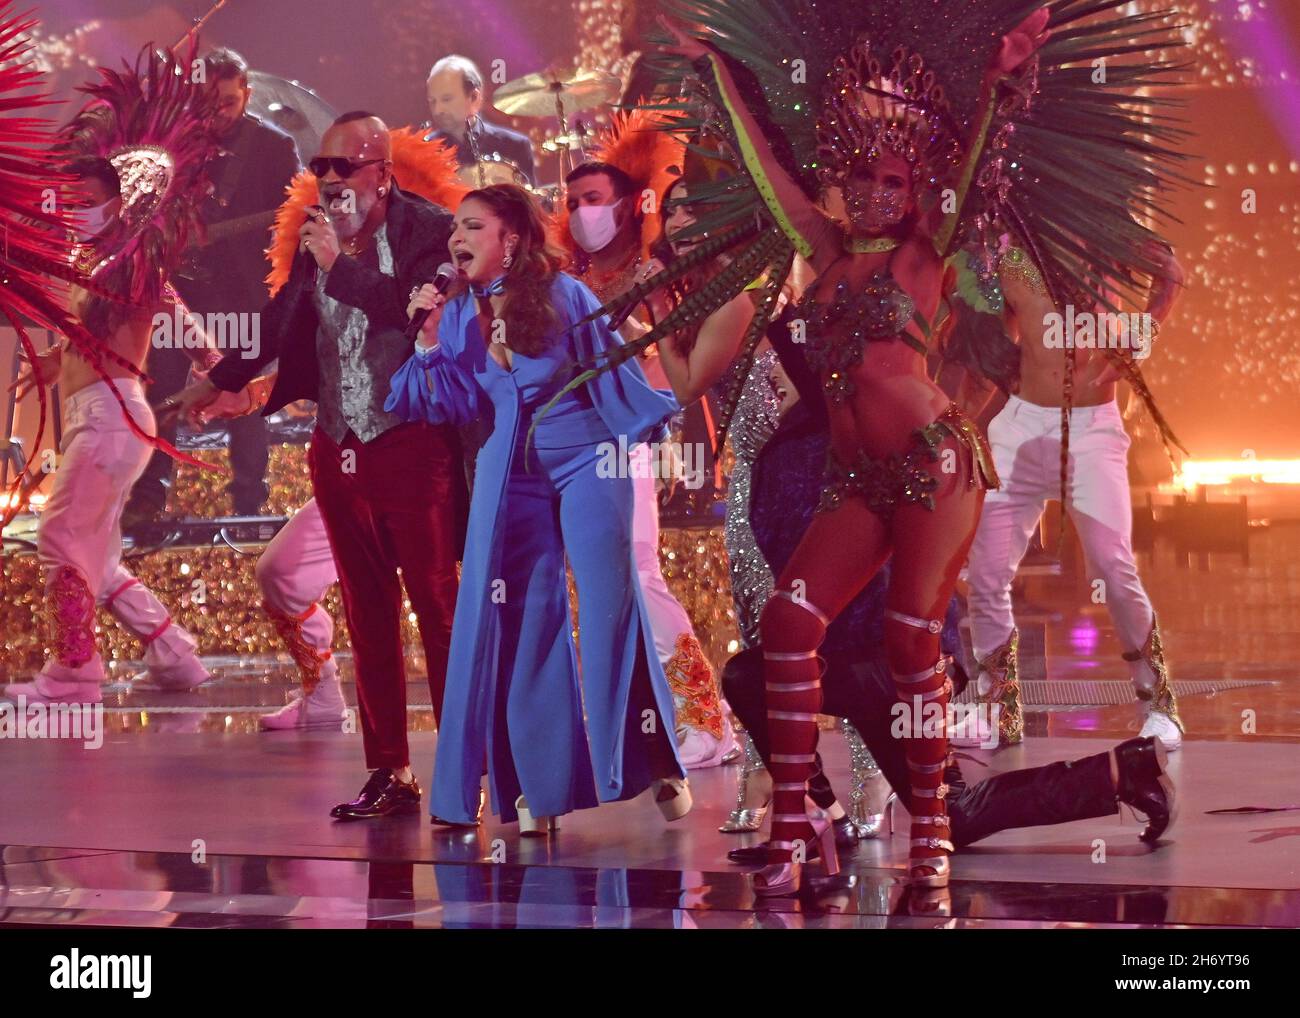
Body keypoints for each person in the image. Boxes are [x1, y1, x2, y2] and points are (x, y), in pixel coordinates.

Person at [171, 112, 468, 821]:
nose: (329, 181)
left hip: (413, 436)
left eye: (345, 168)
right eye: (320, 168)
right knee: (367, 609)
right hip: (338, 443)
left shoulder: (431, 231)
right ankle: (389, 771)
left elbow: (416, 313)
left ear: (382, 173)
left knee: (439, 604)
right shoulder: (316, 236)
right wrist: (225, 378)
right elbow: (282, 320)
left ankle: (465, 766)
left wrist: (341, 263)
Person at [386, 183, 690, 832]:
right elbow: (450, 402)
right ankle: (536, 788)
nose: (456, 240)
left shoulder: (564, 294)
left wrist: (643, 435)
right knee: (520, 618)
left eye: (472, 227)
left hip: (585, 457)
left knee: (611, 605)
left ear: (511, 239)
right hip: (510, 468)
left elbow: (609, 368)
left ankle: (648, 759)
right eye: (454, 230)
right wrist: (429, 340)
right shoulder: (462, 313)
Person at [3, 49, 229, 705]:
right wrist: (52, 362)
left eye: (89, 197)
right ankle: (176, 656)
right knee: (95, 560)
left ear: (118, 200)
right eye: (71, 198)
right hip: (103, 419)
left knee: (57, 536)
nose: (77, 207)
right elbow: (89, 342)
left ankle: (73, 674)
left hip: (111, 419)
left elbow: (172, 308)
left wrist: (215, 366)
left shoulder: (130, 263)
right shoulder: (90, 267)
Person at [961, 235, 1187, 750]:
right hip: (1020, 426)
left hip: (1090, 433)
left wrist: (1144, 331)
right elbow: (989, 330)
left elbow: (1172, 270)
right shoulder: (1010, 253)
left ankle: (1158, 704)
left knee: (1112, 564)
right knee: (987, 572)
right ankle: (999, 709)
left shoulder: (1101, 236)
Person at [563, 139, 735, 769]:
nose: (584, 213)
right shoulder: (571, 279)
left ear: (631, 205)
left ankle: (709, 721)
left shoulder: (655, 274)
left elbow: (674, 374)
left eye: (595, 199)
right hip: (582, 447)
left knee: (640, 572)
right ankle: (655, 719)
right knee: (611, 583)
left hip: (641, 439)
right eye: (574, 201)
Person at [123, 47, 300, 528]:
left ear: (247, 93)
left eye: (226, 102)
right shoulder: (173, 145)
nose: (216, 114)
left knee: (241, 392)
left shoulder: (274, 147)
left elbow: (295, 218)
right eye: (206, 103)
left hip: (244, 289)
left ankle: (249, 502)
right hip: (179, 290)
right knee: (161, 384)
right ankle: (149, 492)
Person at [423, 54, 536, 185]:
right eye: (432, 102)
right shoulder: (425, 150)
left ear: (474, 97)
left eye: (447, 99)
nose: (438, 110)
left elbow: (530, 203)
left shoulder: (515, 145)